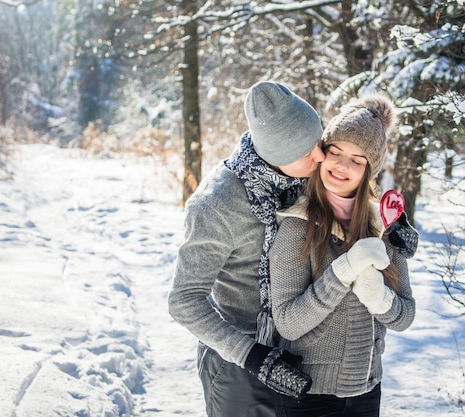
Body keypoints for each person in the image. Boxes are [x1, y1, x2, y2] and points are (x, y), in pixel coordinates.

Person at [168, 80, 326, 417]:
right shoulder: (218, 204)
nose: (321, 156)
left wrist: (392, 233)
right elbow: (183, 300)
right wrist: (252, 356)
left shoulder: (302, 180)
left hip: (299, 355)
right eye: (307, 151)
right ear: (278, 153)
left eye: (319, 141)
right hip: (238, 362)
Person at [269, 93, 418, 417]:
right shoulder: (298, 226)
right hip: (308, 397)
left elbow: (405, 316)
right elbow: (288, 325)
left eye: (357, 159)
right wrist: (343, 272)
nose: (341, 165)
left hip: (366, 392)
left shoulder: (384, 226)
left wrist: (379, 298)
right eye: (335, 151)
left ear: (369, 170)